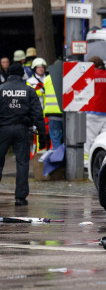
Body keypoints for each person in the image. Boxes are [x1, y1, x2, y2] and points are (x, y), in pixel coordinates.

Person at [0, 63, 46, 205]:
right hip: (22, 130)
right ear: (22, 75)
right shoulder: (29, 91)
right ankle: (20, 197)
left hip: (3, 130)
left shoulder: (1, 89)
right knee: (22, 163)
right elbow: (38, 114)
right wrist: (42, 136)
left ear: (9, 75)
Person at [84, 56, 106, 168]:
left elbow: (84, 93)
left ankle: (86, 162)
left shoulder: (90, 77)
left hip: (92, 112)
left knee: (89, 138)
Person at [43, 73, 64, 149]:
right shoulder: (67, 75)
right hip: (65, 113)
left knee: (55, 138)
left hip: (52, 113)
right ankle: (67, 158)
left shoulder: (47, 78)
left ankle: (57, 158)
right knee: (68, 139)